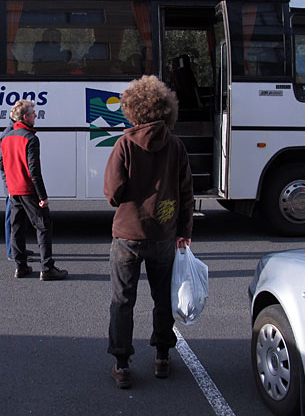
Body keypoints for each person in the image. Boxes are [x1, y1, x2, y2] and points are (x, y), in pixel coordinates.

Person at [103, 75, 194, 389]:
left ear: (133, 109)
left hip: (128, 234)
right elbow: (186, 193)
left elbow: (113, 194)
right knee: (162, 299)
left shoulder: (125, 144)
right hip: (164, 234)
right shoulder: (176, 145)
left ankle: (122, 364)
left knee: (122, 301)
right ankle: (162, 359)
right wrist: (184, 230)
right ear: (165, 108)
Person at [0, 100, 68, 281]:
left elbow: (2, 165)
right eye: (33, 113)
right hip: (28, 190)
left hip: (14, 191)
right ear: (25, 117)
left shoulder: (5, 138)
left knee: (17, 228)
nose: (36, 116)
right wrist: (42, 196)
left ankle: (20, 266)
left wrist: (9, 186)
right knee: (44, 226)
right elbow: (34, 171)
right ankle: (47, 268)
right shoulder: (30, 139)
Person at [0, 118, 34, 261]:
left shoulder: (12, 131)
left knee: (18, 219)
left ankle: (19, 248)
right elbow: (2, 163)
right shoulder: (9, 134)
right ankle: (12, 252)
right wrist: (7, 185)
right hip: (13, 185)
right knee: (12, 219)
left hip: (14, 183)